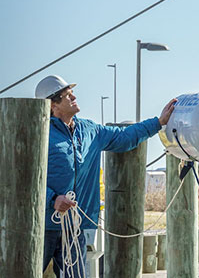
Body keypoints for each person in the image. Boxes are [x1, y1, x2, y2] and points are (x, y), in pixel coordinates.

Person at [35, 75, 176, 277]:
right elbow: (21, 178)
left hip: (74, 227)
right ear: (52, 106)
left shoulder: (90, 130)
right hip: (41, 227)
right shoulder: (39, 132)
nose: (74, 97)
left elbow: (124, 137)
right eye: (67, 95)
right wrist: (52, 199)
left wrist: (158, 122)